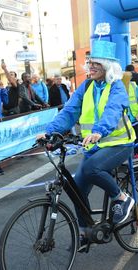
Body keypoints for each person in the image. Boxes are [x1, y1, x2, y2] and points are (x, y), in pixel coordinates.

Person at [38, 40, 135, 252]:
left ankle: (121, 198)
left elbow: (112, 110)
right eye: (89, 63)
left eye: (96, 64)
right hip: (95, 147)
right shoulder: (87, 86)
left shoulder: (116, 86)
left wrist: (99, 131)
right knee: (77, 189)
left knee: (92, 169)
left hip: (119, 143)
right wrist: (50, 131)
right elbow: (70, 111)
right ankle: (85, 233)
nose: (90, 67)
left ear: (107, 67)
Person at [123, 71, 138, 156]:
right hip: (125, 120)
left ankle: (135, 154)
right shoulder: (116, 88)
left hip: (134, 118)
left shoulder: (133, 86)